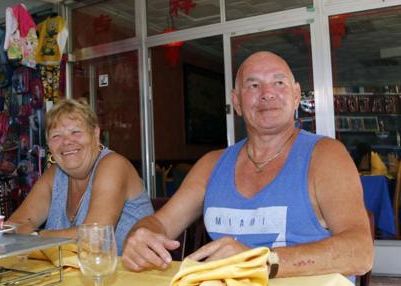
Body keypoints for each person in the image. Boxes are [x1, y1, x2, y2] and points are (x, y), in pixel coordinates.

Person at [122, 51, 373, 279]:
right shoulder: (212, 164)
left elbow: (360, 252)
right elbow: (161, 224)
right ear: (237, 102)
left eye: (279, 82)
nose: (267, 93)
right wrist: (141, 236)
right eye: (253, 85)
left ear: (296, 95)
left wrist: (258, 262)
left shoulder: (325, 155)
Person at [7, 98, 153, 254]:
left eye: (76, 132)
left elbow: (95, 239)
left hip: (131, 276)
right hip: (73, 275)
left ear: (95, 134)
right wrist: (29, 233)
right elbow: (12, 226)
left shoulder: (113, 165)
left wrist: (36, 235)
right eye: (56, 136)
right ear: (48, 144)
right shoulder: (55, 174)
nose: (67, 142)